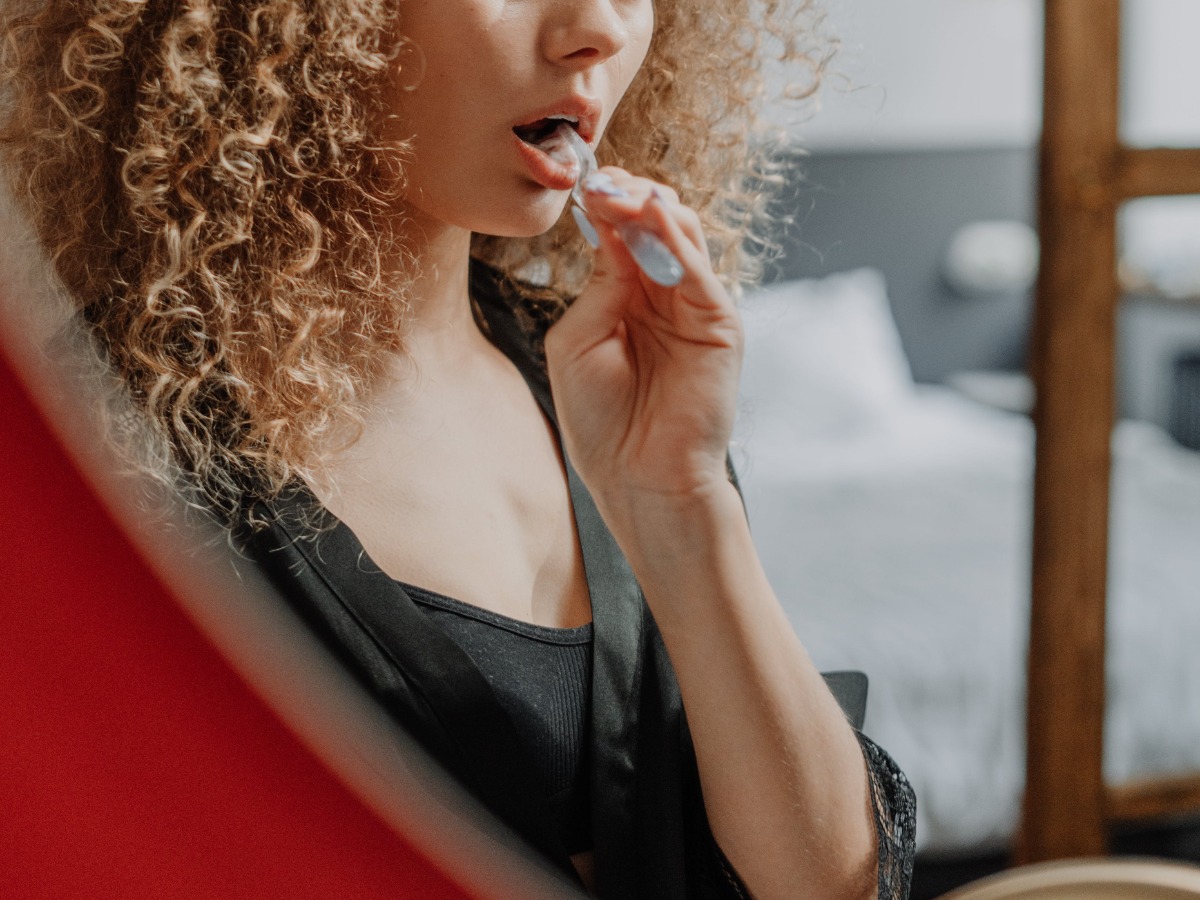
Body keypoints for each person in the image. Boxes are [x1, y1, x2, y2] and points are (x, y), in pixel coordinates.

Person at [0, 0, 915, 896]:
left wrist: (683, 506)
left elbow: (829, 887)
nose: (598, 25)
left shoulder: (617, 382)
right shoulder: (98, 454)